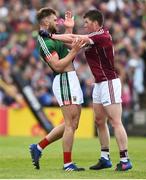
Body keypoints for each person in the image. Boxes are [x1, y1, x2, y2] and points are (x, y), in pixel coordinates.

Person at [40, 9, 133, 171]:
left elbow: (75, 39)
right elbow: (72, 44)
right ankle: (105, 158)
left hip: (109, 82)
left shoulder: (100, 35)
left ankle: (125, 159)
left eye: (87, 23)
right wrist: (68, 29)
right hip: (98, 84)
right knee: (99, 121)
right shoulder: (92, 38)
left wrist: (51, 35)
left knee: (115, 121)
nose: (84, 26)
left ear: (95, 24)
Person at [29, 7, 85, 171]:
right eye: (54, 20)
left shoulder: (54, 37)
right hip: (64, 80)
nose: (57, 22)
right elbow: (58, 66)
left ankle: (38, 147)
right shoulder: (45, 41)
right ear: (45, 22)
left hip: (71, 79)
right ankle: (68, 164)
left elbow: (68, 46)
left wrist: (69, 28)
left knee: (74, 124)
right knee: (69, 124)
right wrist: (74, 51)